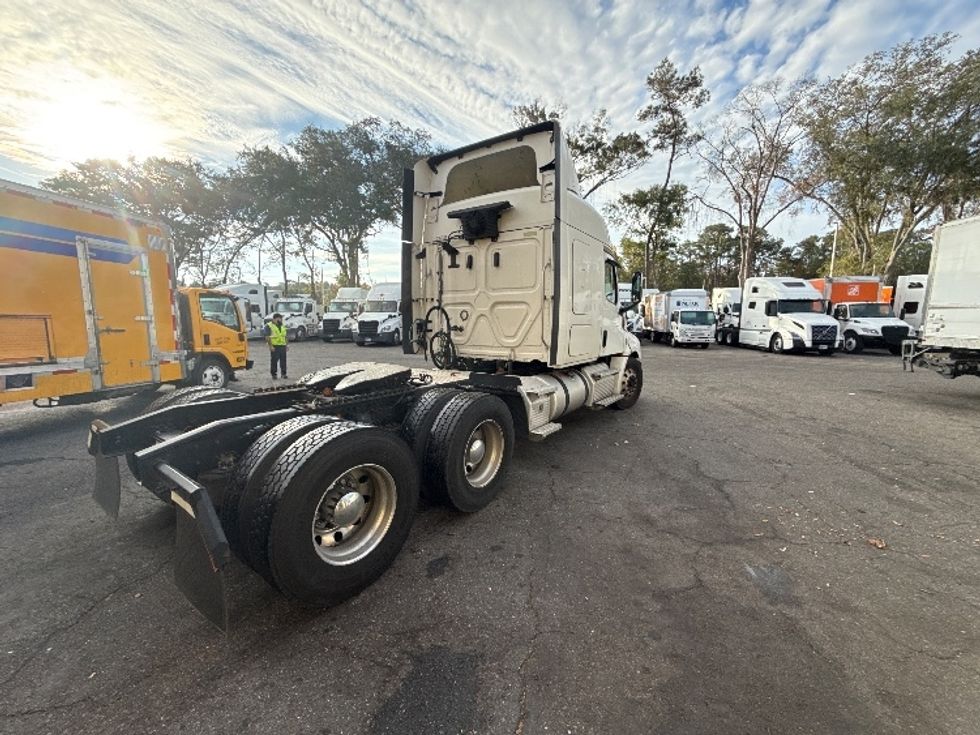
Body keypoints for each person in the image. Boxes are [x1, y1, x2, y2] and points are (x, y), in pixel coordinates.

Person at [265, 312, 288, 380]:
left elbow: (285, 336)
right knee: (274, 361)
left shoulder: (282, 325)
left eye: (281, 319)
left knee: (283, 361)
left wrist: (287, 345)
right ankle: (274, 374)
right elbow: (267, 337)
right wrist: (270, 346)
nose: (280, 320)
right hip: (275, 346)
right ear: (274, 319)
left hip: (282, 346)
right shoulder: (269, 326)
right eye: (279, 319)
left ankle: (283, 374)